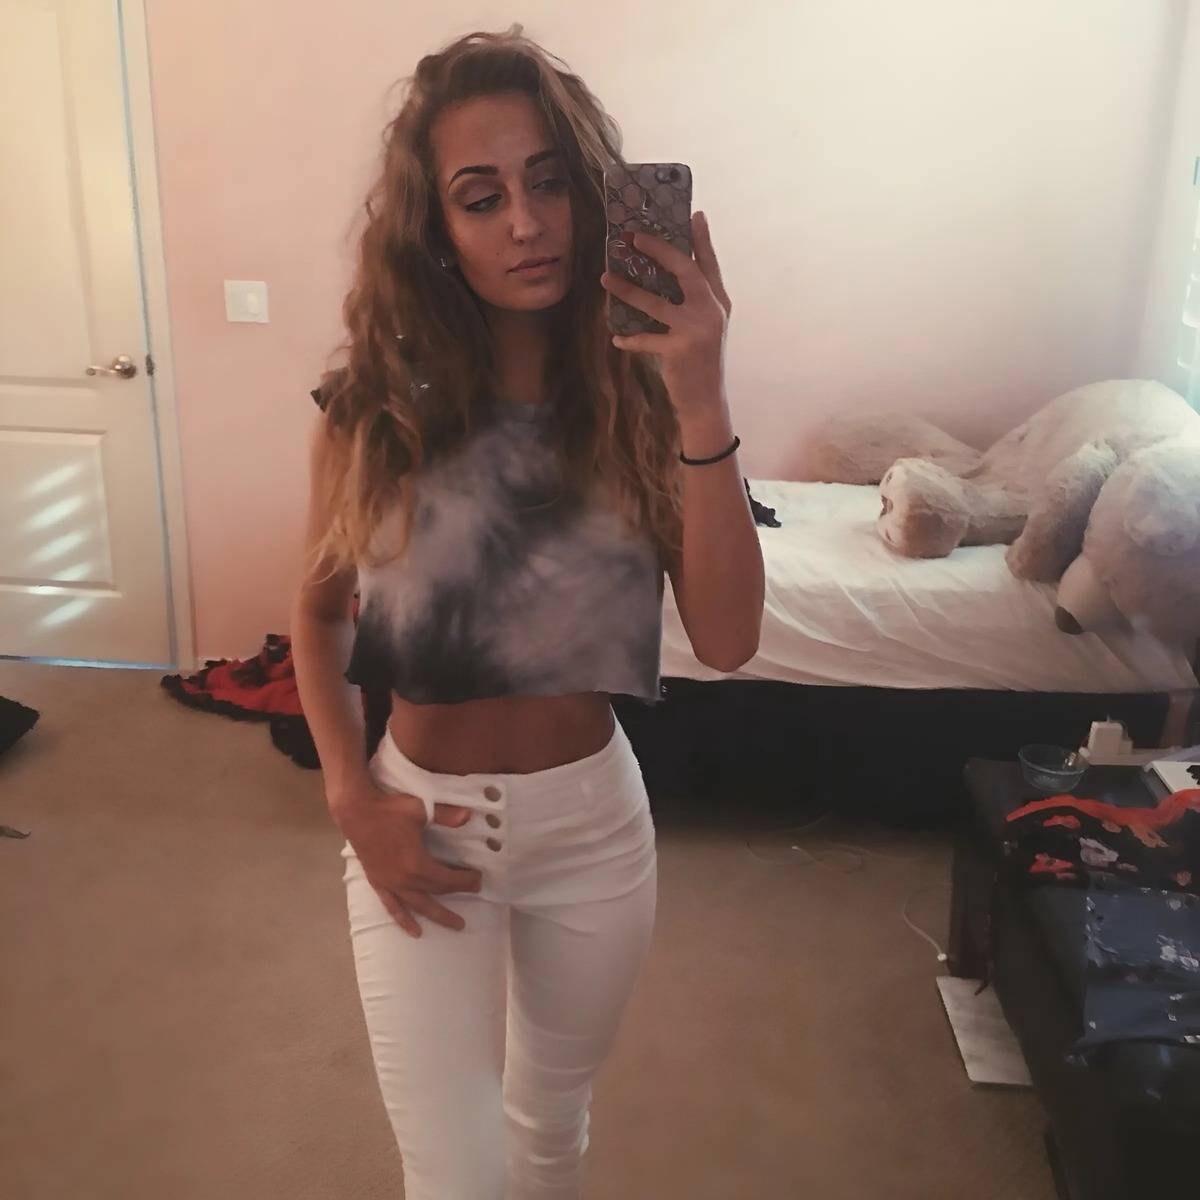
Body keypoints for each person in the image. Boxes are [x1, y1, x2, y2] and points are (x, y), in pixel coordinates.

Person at [290, 25, 764, 1200]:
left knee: (551, 1135)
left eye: (550, 181)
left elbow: (728, 639)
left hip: (592, 830)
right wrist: (351, 796)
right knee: (454, 1174)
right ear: (436, 227)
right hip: (419, 824)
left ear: (592, 194)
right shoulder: (373, 407)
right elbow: (319, 614)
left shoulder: (642, 394)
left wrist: (703, 396)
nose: (526, 223)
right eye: (482, 195)